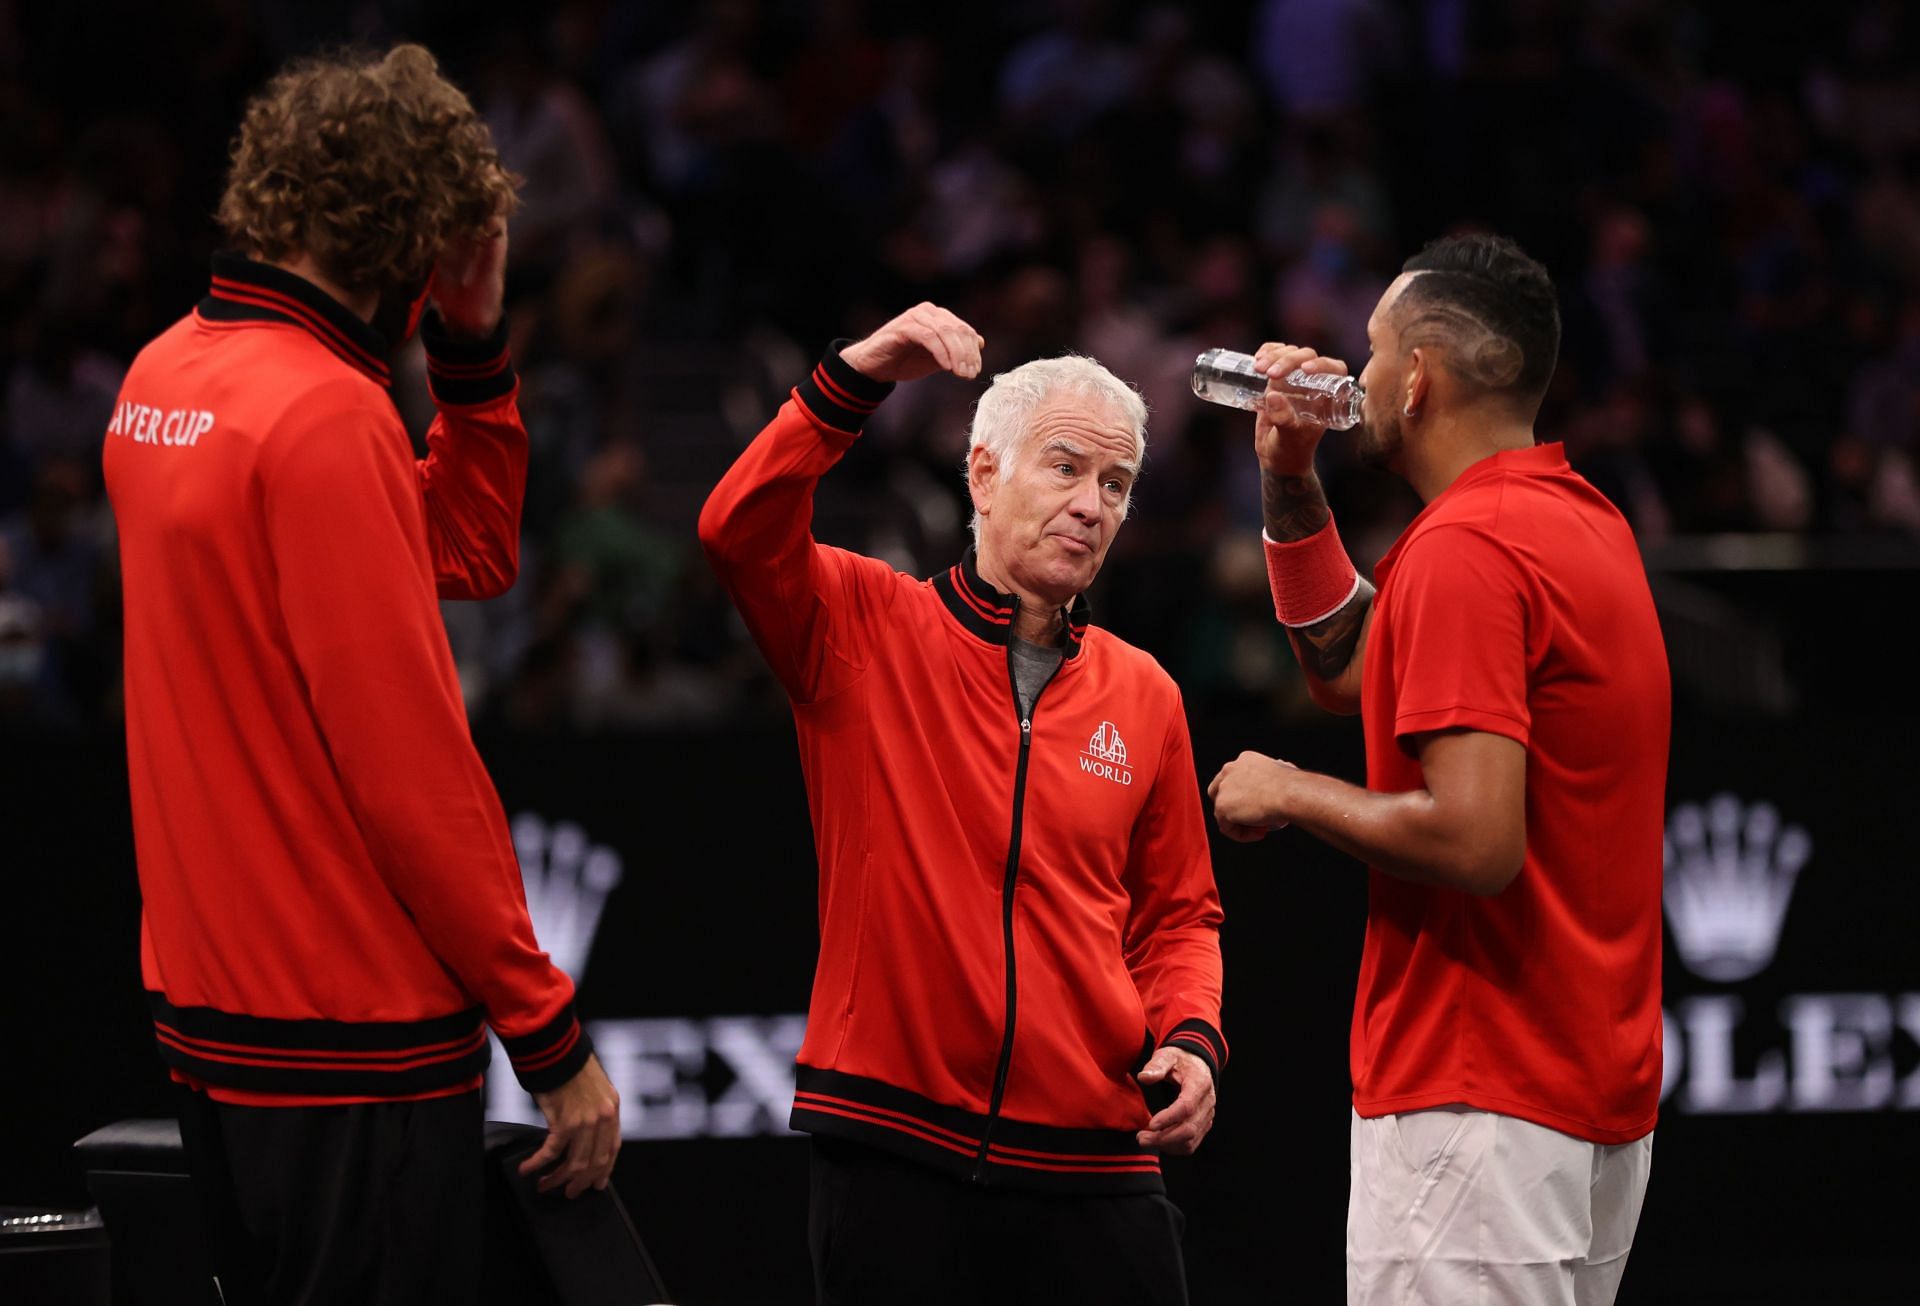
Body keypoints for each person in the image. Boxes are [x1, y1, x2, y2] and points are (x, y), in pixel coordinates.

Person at [101, 45, 620, 1306]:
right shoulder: (324, 417)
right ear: (420, 230)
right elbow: (415, 779)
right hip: (353, 1043)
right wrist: (546, 1035)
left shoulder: (164, 375)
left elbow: (465, 546)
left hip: (218, 1020)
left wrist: (473, 351)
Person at [699, 304, 1226, 1306]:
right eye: (1064, 467)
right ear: (983, 473)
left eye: (1115, 484)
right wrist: (853, 377)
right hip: (894, 1148)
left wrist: (1193, 1034)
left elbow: (1179, 916)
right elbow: (736, 526)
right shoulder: (864, 626)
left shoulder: (1146, 692)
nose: (1091, 504)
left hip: (1098, 1157)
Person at [1208, 233, 1668, 1304]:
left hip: (1480, 1094)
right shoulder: (1576, 520)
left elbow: (1475, 839)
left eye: (1372, 353)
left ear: (1416, 380)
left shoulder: (1467, 551)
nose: (1355, 376)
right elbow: (1359, 671)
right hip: (1584, 1091)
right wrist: (1288, 478)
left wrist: (1289, 790)